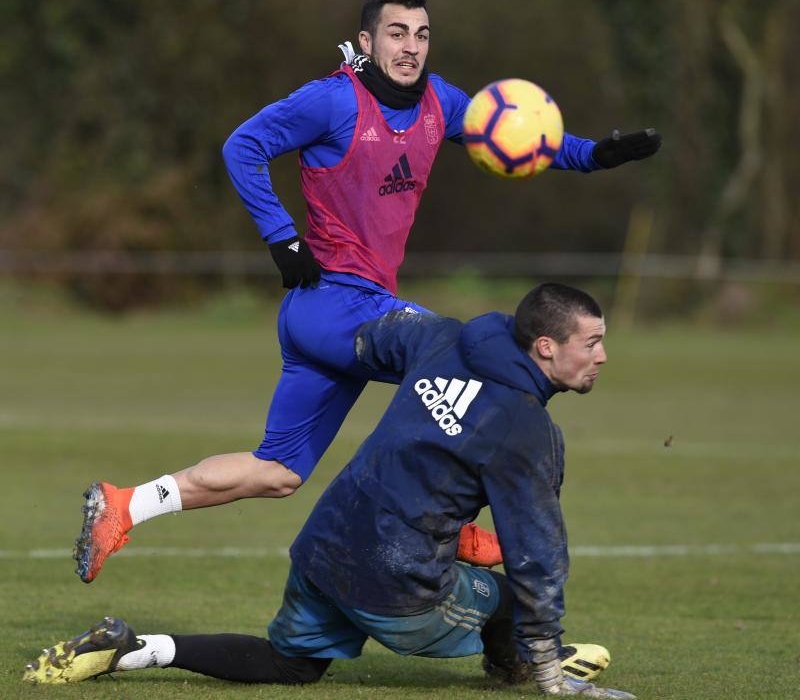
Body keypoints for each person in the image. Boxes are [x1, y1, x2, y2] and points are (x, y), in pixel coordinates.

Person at [73, 0, 661, 584]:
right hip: (334, 303)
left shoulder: (442, 102)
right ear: (367, 40)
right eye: (397, 33)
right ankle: (450, 523)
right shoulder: (332, 101)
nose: (410, 47)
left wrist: (595, 155)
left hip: (340, 319)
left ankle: (124, 506)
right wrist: (282, 237)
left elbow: (523, 139)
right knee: (459, 354)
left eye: (422, 35)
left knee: (277, 473)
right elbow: (242, 145)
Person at [30, 284, 635, 698]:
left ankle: (135, 648)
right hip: (396, 585)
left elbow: (372, 342)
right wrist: (550, 655)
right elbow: (539, 556)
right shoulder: (527, 429)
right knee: (505, 599)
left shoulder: (443, 338)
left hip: (323, 547)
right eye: (593, 343)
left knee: (291, 664)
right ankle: (528, 674)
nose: (604, 356)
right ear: (546, 347)